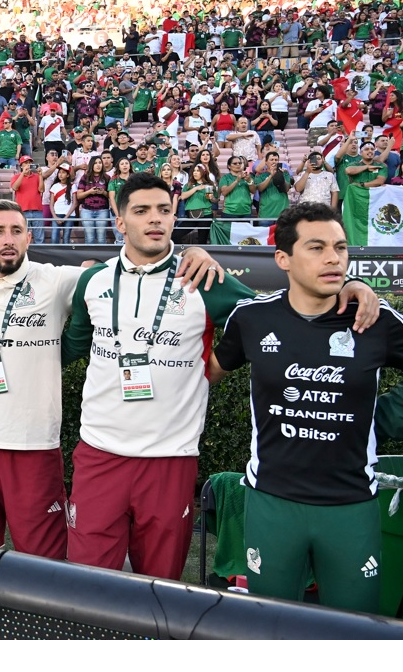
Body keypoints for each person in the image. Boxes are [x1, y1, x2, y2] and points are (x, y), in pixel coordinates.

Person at [61, 173, 378, 580]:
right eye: (141, 211)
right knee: (85, 580)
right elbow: (71, 347)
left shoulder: (204, 279)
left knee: (159, 584)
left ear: (174, 217)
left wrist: (348, 285)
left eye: (164, 210)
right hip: (98, 453)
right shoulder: (93, 281)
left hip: (170, 458)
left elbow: (278, 315)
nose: (155, 219)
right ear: (120, 221)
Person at [0, 199, 220, 555]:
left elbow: (121, 271)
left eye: (17, 231)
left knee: (42, 561)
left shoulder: (56, 280)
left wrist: (190, 253)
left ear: (29, 237)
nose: (8, 239)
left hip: (36, 445)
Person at [209, 203, 403, 614]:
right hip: (272, 502)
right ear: (283, 259)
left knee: (354, 627)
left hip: (351, 505)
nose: (334, 258)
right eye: (317, 247)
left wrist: (384, 417)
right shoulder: (253, 318)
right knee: (270, 623)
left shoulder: (374, 319)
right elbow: (205, 375)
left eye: (340, 247)